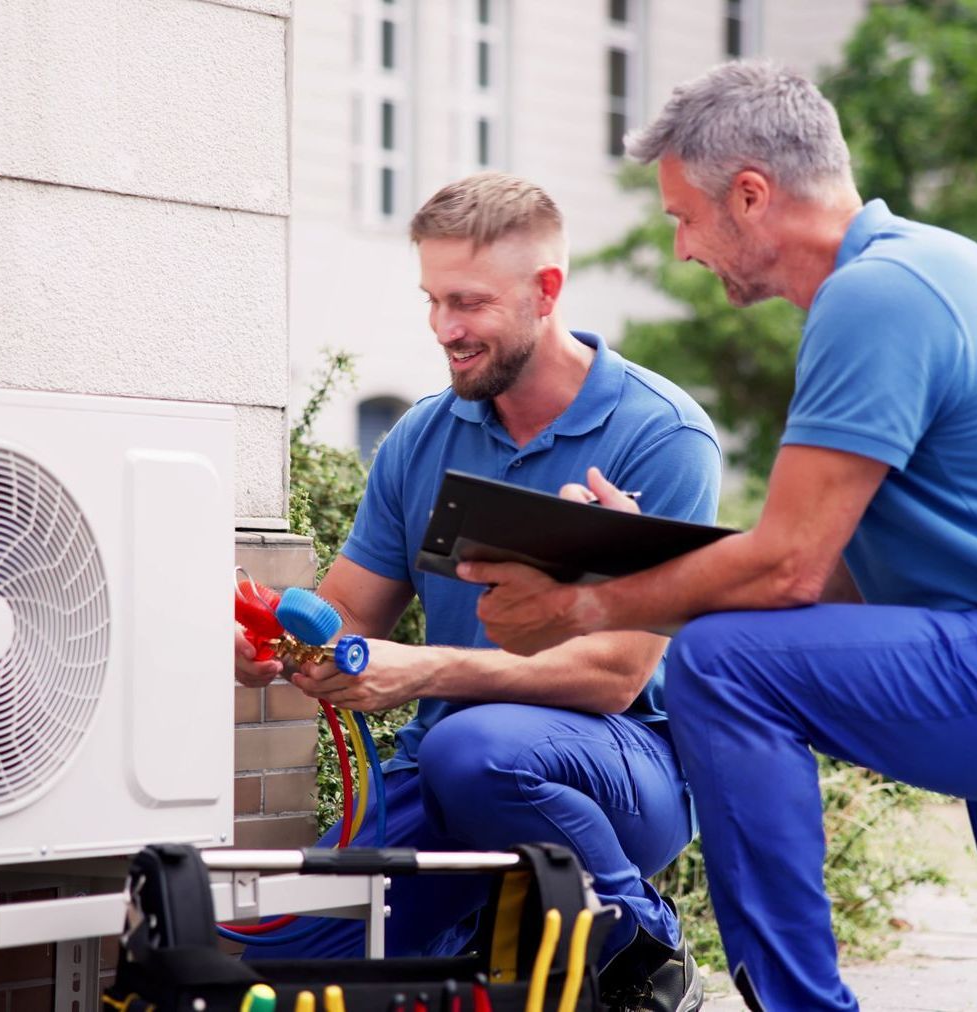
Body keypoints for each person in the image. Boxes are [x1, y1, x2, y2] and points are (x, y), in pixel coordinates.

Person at [461, 60, 977, 1012]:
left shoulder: (875, 297)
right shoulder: (934, 266)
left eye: (682, 218)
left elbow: (787, 571)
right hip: (958, 639)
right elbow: (838, 576)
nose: (683, 250)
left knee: (722, 662)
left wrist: (583, 607)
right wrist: (655, 556)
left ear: (750, 195)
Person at [235, 172, 721, 1011]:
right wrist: (277, 647)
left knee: (476, 752)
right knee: (268, 963)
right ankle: (476, 932)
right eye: (431, 300)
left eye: (467, 303)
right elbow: (353, 610)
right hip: (445, 757)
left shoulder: (659, 436)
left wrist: (419, 672)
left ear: (545, 292)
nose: (443, 330)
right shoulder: (422, 436)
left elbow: (613, 676)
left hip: (626, 765)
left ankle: (641, 948)